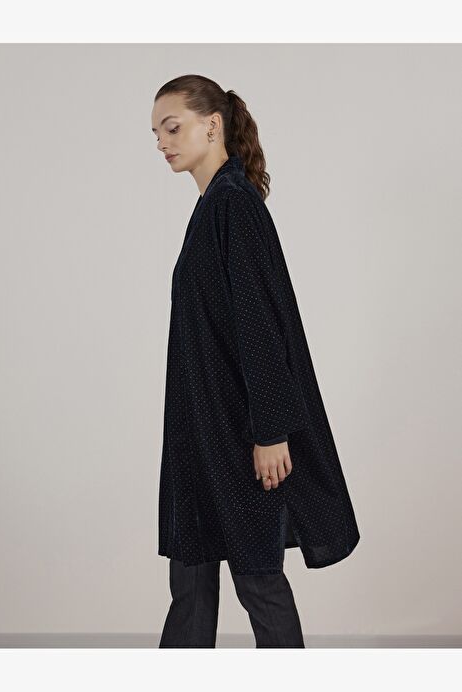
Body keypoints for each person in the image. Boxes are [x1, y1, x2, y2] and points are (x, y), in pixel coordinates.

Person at [151, 74, 360, 648]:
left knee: (258, 579)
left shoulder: (233, 205)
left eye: (172, 127)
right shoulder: (212, 207)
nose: (162, 142)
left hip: (237, 435)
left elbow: (261, 325)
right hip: (199, 436)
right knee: (190, 586)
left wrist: (271, 432)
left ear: (212, 125)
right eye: (156, 134)